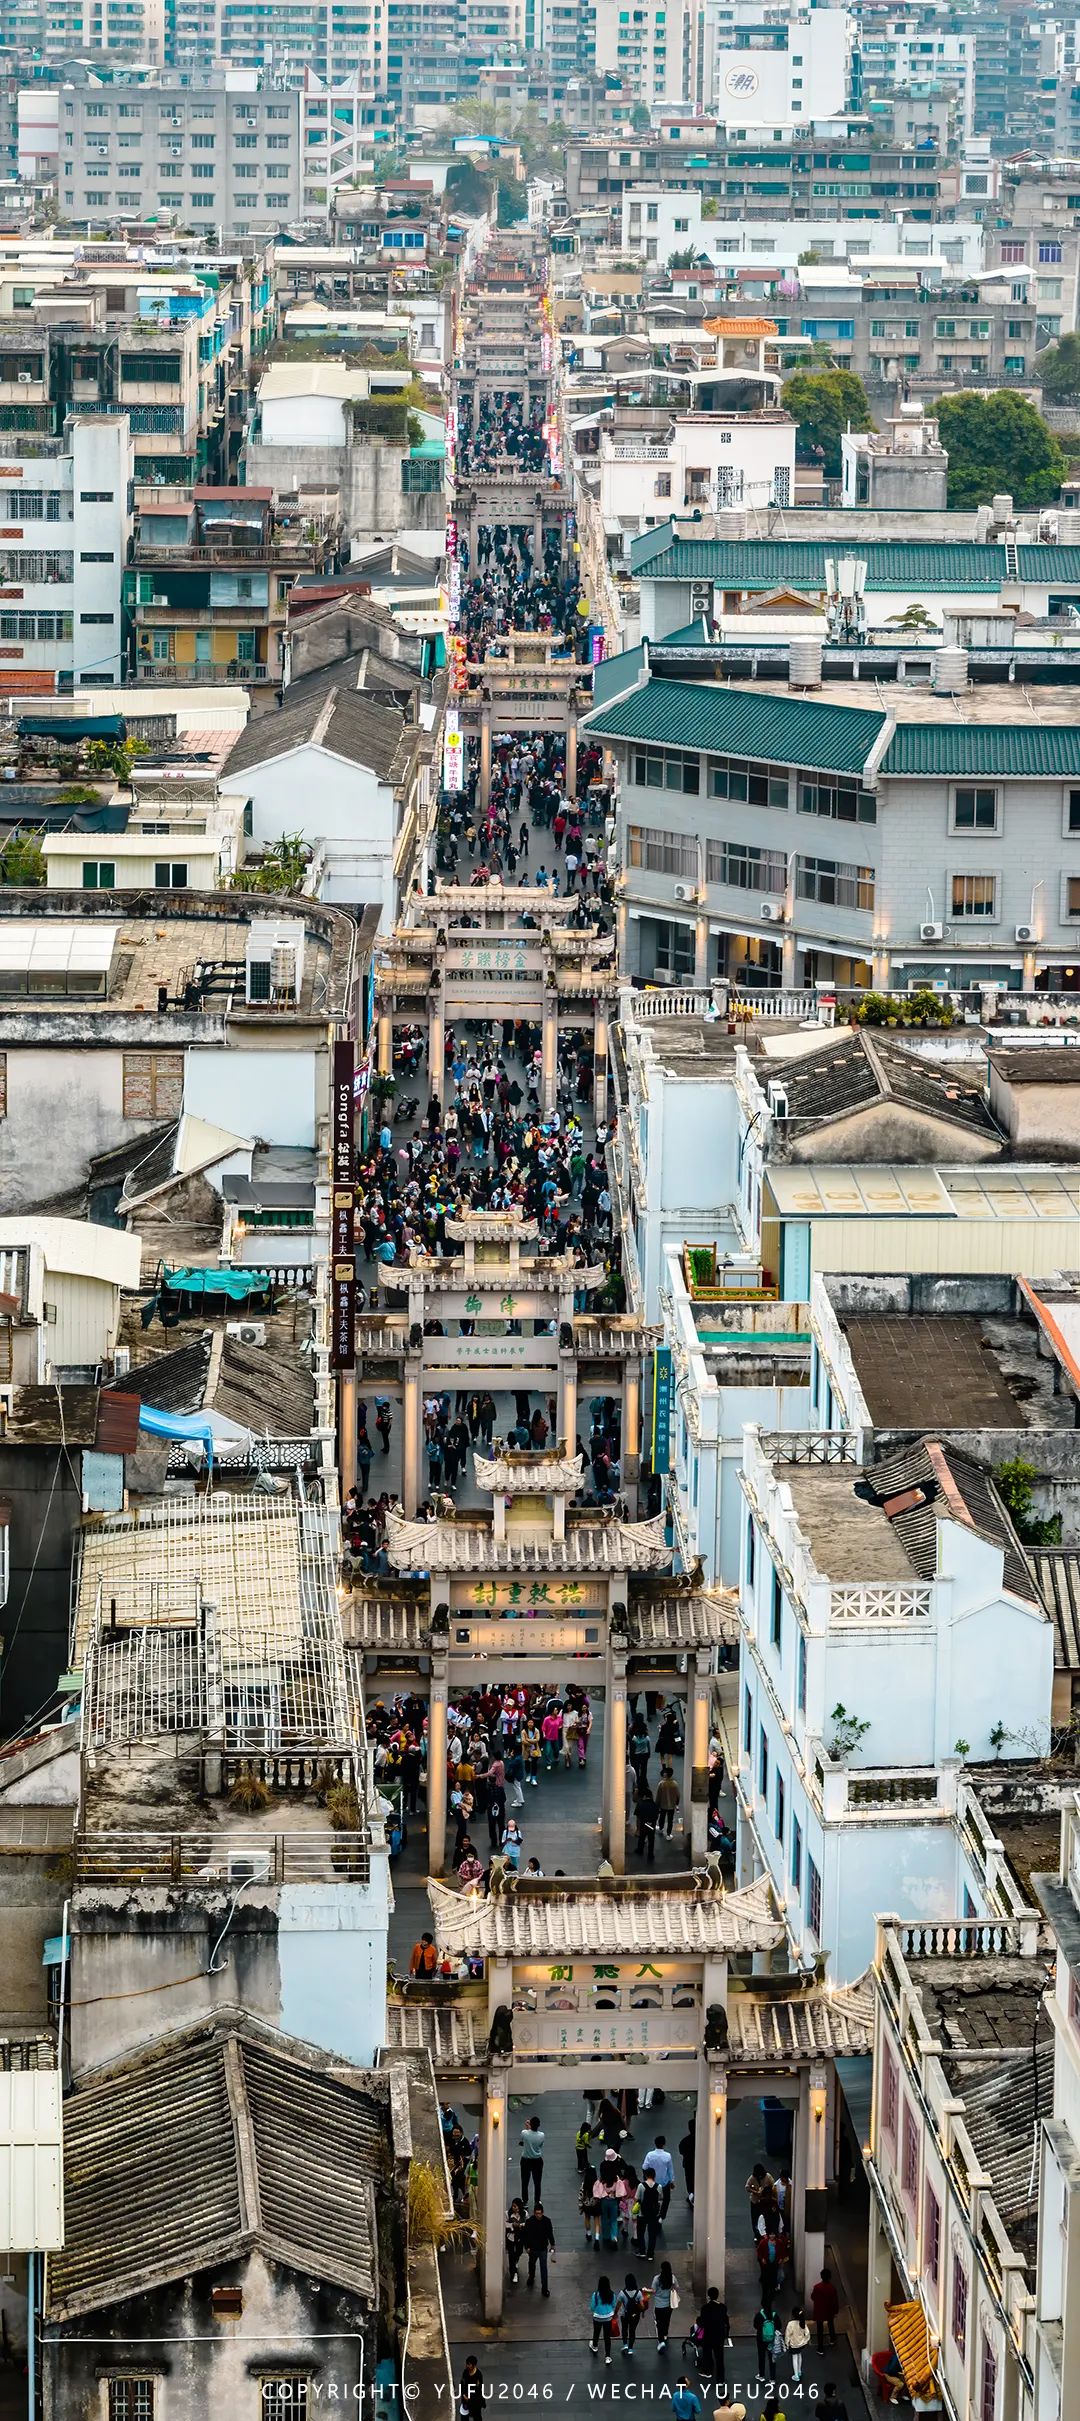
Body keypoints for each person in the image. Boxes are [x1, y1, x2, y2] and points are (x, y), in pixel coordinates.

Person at [694, 2286, 731, 2385]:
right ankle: (720, 2380)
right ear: (717, 2295)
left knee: (707, 2353)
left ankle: (708, 2371)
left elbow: (702, 2322)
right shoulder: (723, 2307)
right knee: (719, 2357)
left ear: (708, 2296)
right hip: (719, 2335)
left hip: (708, 2335)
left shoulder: (705, 2308)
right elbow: (726, 2321)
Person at [523, 2200, 555, 2295]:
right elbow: (526, 2235)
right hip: (533, 2248)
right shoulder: (530, 2222)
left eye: (540, 2213)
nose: (538, 2215)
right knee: (532, 2264)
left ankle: (544, 2288)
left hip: (542, 2248)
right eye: (537, 2213)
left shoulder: (546, 2221)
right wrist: (527, 2246)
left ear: (542, 2213)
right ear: (534, 2213)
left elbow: (550, 2234)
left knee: (543, 2268)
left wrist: (552, 2244)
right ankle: (531, 2276)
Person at [615, 2272, 646, 2357]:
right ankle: (630, 2349)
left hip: (625, 2315)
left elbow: (618, 2305)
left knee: (624, 2329)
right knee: (632, 2331)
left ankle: (625, 2345)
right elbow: (642, 2306)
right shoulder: (638, 2293)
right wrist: (642, 2312)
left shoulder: (622, 2293)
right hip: (635, 2316)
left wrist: (615, 2314)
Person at [811, 2265, 840, 2353]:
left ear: (821, 2276)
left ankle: (820, 2348)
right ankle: (832, 2339)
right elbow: (835, 2300)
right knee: (831, 2324)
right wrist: (835, 2311)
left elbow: (813, 2297)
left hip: (820, 2310)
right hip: (829, 2310)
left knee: (820, 2329)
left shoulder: (817, 2287)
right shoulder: (832, 2288)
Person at [651, 2259, 679, 2350]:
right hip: (669, 2304)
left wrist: (645, 2290)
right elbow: (676, 2287)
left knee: (659, 2323)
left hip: (659, 2305)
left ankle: (661, 2340)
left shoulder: (657, 2279)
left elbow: (653, 2291)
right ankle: (665, 2334)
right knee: (666, 2320)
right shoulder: (672, 2277)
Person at [589, 2274, 618, 2363]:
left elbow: (592, 2307)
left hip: (597, 2317)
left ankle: (594, 2346)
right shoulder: (612, 2294)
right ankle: (608, 2356)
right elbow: (613, 2305)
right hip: (608, 2318)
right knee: (607, 2337)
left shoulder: (595, 2294)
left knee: (596, 2333)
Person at [519, 2114, 544, 2207]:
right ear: (539, 2125)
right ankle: (537, 2200)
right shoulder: (542, 2135)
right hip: (537, 2160)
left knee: (525, 2181)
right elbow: (540, 2145)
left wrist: (527, 2127)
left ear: (531, 2124)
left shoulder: (524, 2133)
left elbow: (522, 2140)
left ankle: (525, 2201)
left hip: (526, 2160)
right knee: (537, 2182)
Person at [745, 2162, 776, 2238]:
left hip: (765, 2201)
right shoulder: (752, 2178)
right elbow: (747, 2187)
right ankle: (757, 2234)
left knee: (765, 2217)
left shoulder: (767, 2177)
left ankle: (765, 2233)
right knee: (755, 2218)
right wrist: (755, 2192)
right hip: (755, 2201)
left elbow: (773, 2185)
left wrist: (767, 2192)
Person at [647, 2134, 675, 2218]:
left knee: (652, 2198)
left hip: (652, 2181)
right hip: (664, 2181)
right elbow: (670, 2170)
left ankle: (652, 2212)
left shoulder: (649, 2155)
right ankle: (662, 2215)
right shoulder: (667, 2156)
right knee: (667, 2198)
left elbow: (644, 2166)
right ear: (664, 2144)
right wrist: (672, 2181)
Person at [785, 2304, 811, 2382]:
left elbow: (787, 2335)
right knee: (799, 2355)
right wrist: (805, 2341)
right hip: (801, 2344)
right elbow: (807, 2333)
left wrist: (787, 2343)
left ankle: (796, 2375)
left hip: (794, 2344)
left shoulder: (791, 2324)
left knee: (794, 2358)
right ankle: (799, 2371)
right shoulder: (802, 2323)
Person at [505, 2197, 526, 2287]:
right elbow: (505, 2224)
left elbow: (527, 2223)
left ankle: (515, 2260)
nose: (514, 2208)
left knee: (519, 2251)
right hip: (511, 2236)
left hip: (520, 2236)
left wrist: (521, 2225)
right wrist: (512, 2225)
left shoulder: (524, 2214)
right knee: (511, 2254)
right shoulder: (507, 2214)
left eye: (516, 2207)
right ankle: (513, 2273)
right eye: (513, 2206)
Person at [754, 2304, 779, 2381]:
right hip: (772, 2339)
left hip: (761, 2339)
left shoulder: (759, 2315)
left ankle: (761, 2375)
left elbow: (755, 2326)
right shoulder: (774, 2315)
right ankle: (772, 2378)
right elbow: (779, 2326)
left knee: (761, 2357)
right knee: (772, 2358)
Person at [656, 1765, 681, 1836]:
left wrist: (657, 1805)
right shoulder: (675, 1784)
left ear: (665, 1774)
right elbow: (678, 1795)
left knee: (662, 1817)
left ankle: (661, 1828)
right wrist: (676, 1803)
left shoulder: (661, 1784)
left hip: (663, 1805)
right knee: (670, 1820)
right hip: (672, 1805)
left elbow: (658, 1796)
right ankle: (668, 1833)